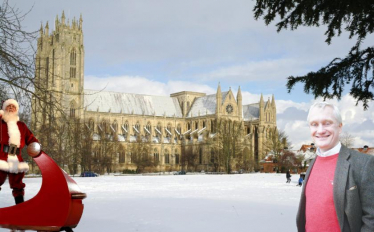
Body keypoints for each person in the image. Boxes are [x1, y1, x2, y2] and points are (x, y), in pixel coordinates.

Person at [296, 102, 374, 231]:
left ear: (340, 126)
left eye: (327, 123)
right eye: (314, 124)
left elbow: (371, 219)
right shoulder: (313, 162)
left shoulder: (363, 163)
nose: (320, 130)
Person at [0, 99, 40, 204]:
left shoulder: (21, 125)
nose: (11, 108)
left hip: (16, 158)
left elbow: (31, 139)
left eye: (13, 107)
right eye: (8, 106)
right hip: (1, 157)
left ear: (16, 109)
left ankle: (20, 208)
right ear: (4, 109)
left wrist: (36, 146)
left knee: (18, 185)